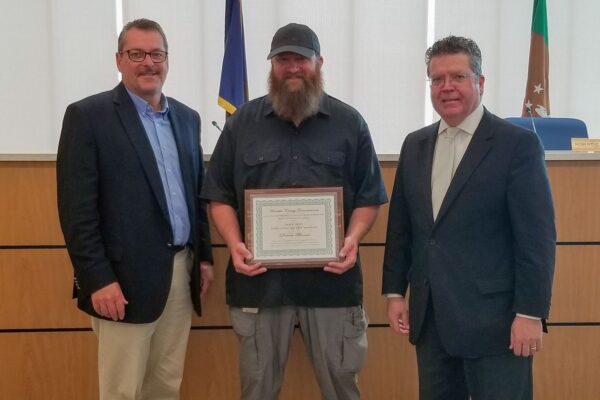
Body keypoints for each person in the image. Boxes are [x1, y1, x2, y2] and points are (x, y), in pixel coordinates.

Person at [201, 23, 388, 400]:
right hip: (259, 282)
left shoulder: (350, 123)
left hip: (332, 283)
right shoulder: (241, 124)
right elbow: (219, 195)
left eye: (300, 59)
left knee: (341, 386)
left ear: (319, 63)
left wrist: (351, 240)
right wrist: (234, 243)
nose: (292, 68)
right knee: (257, 388)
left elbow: (369, 197)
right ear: (271, 67)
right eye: (283, 60)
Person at [382, 35, 556, 400]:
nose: (447, 87)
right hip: (431, 322)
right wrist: (395, 291)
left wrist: (530, 313)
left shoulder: (517, 146)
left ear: (480, 82)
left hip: (497, 324)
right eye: (437, 79)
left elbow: (536, 240)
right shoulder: (415, 144)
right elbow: (402, 228)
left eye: (458, 77)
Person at [56, 18, 213, 400]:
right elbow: (77, 211)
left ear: (167, 60)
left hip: (180, 273)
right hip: (120, 283)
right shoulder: (88, 117)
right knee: (121, 391)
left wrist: (204, 259)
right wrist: (98, 279)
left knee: (165, 385)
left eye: (156, 54)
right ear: (119, 60)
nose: (148, 63)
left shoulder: (187, 118)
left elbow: (196, 197)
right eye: (137, 54)